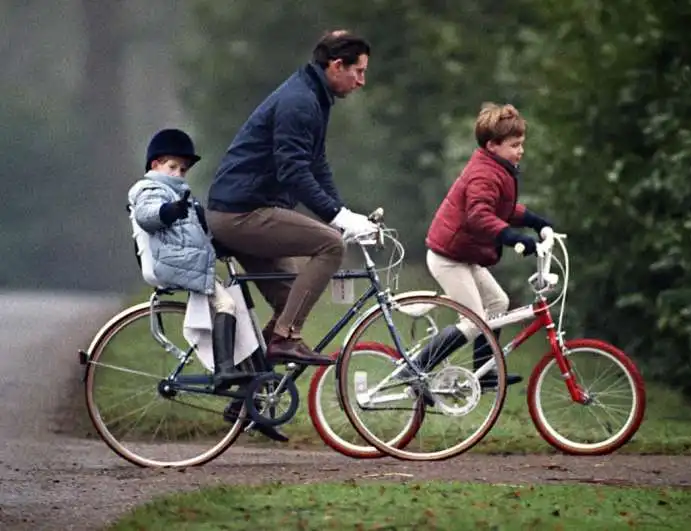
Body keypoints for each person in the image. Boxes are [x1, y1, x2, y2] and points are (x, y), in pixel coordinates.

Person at [205, 30, 377, 368]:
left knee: (294, 301)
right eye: (358, 71)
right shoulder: (300, 101)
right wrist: (337, 219)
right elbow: (293, 172)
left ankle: (249, 393)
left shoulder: (313, 95)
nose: (362, 81)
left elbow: (316, 164)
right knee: (331, 245)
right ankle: (283, 340)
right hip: (241, 214)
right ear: (336, 65)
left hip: (245, 210)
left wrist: (343, 212)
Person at [404, 103, 554, 390]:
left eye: (521, 144)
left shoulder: (498, 168)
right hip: (448, 257)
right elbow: (480, 215)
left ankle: (484, 374)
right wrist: (514, 238)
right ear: (492, 145)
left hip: (465, 254)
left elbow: (503, 207)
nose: (520, 150)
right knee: (474, 322)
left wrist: (534, 221)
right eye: (514, 145)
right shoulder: (484, 173)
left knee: (498, 303)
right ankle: (416, 369)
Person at [127, 128, 248, 391]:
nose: (178, 174)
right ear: (155, 164)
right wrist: (169, 211)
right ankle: (225, 370)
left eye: (183, 170)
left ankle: (243, 383)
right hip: (174, 264)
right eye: (173, 167)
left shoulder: (181, 196)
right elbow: (147, 215)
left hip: (184, 261)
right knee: (226, 303)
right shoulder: (151, 188)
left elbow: (194, 231)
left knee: (233, 304)